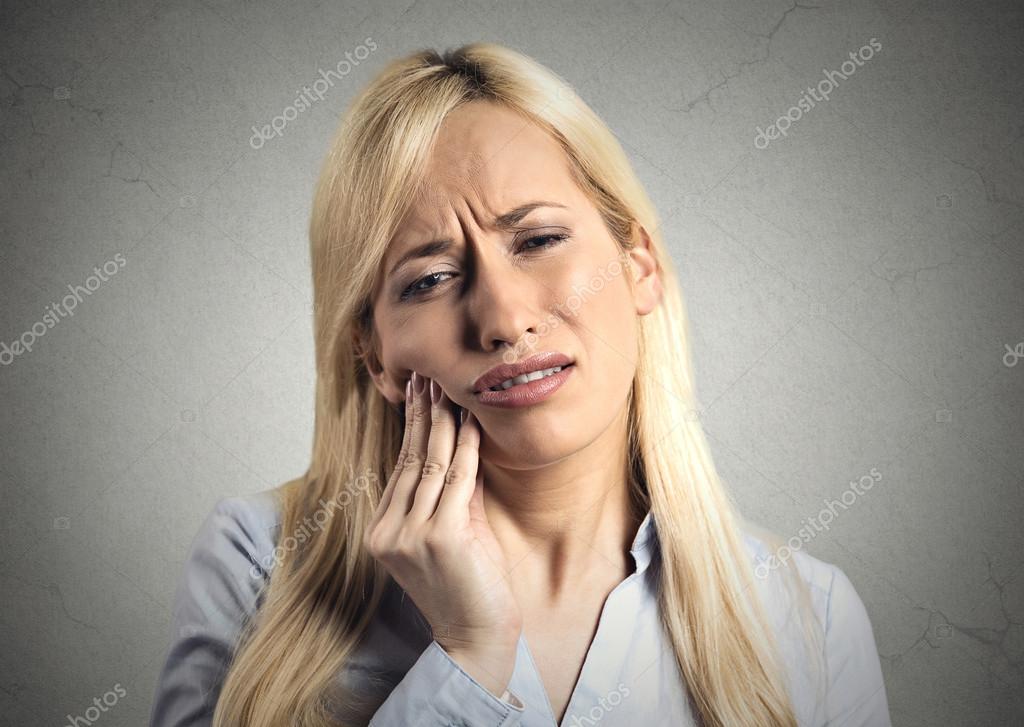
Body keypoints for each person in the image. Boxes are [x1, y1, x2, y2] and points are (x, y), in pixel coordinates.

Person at [150, 42, 891, 727]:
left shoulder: (811, 618)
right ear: (373, 354)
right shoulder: (259, 564)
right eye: (431, 278)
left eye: (537, 240)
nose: (503, 320)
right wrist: (469, 655)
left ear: (638, 265)